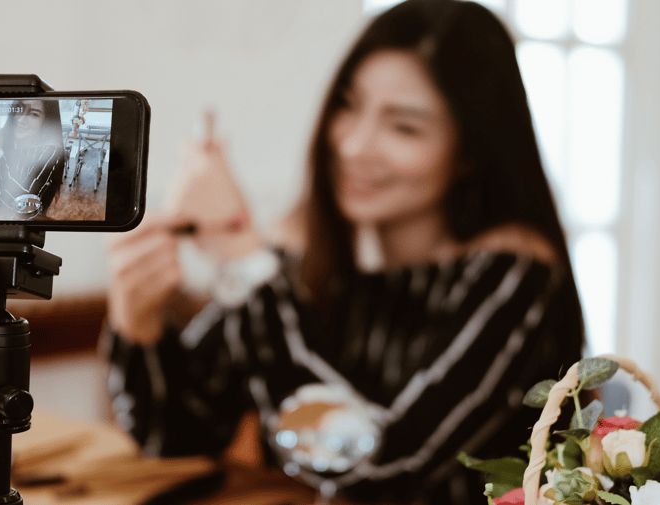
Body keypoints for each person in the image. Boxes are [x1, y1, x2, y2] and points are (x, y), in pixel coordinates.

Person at [103, 1, 586, 503]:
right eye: (347, 105)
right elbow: (175, 438)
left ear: (470, 151)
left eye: (404, 127)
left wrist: (245, 262)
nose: (354, 145)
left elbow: (382, 471)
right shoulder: (309, 253)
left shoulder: (516, 279)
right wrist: (139, 320)